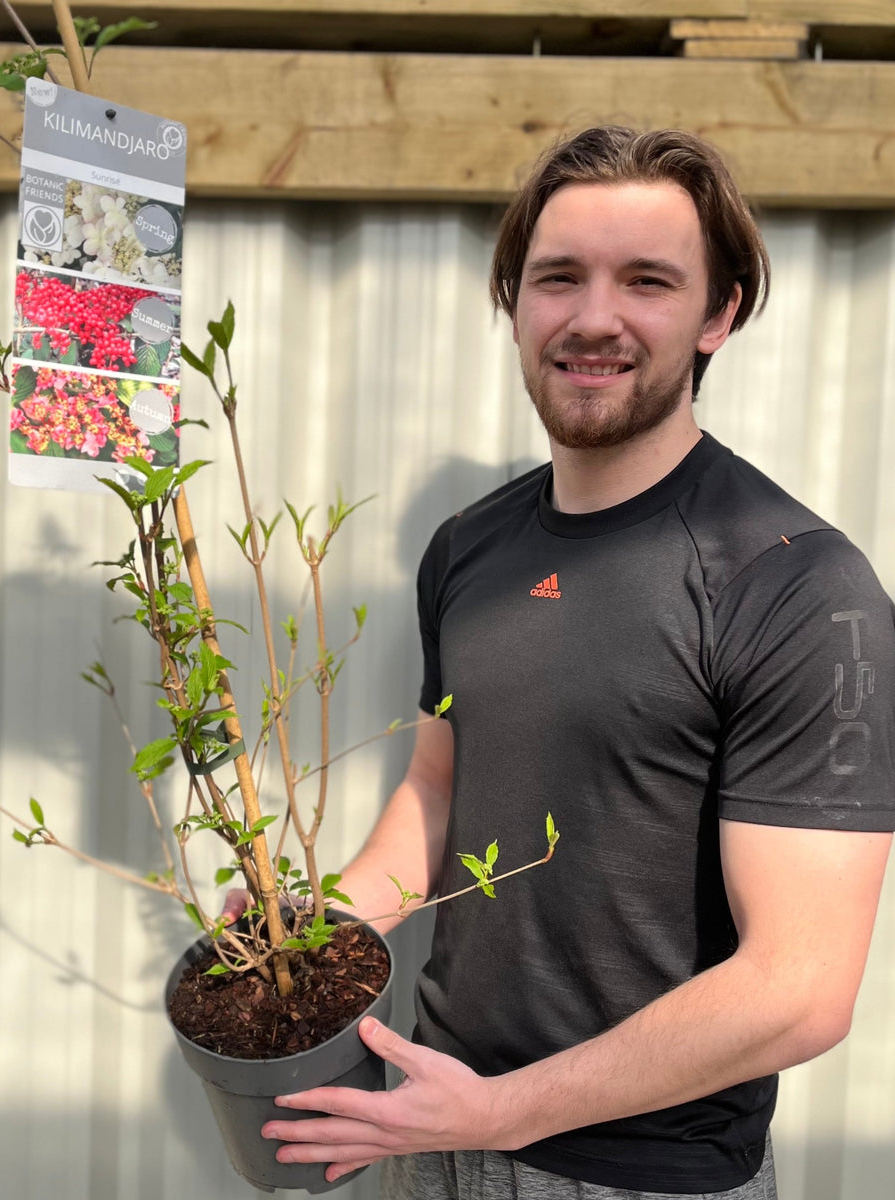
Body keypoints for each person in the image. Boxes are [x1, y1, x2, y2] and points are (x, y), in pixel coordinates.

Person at [252, 127, 895, 1198]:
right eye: (559, 278)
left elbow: (801, 989)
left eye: (648, 281)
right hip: (435, 1136)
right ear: (516, 302)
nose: (595, 318)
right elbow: (439, 795)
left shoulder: (796, 586)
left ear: (719, 315)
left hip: (646, 1174)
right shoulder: (470, 549)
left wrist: (502, 1108)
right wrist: (305, 936)